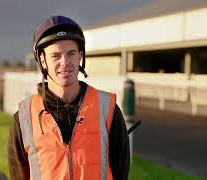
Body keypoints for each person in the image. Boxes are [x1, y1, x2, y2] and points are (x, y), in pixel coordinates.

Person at [8, 15, 130, 180]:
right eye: (56, 55)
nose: (65, 62)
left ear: (80, 56)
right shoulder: (24, 118)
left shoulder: (107, 110)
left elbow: (121, 172)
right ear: (42, 60)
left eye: (71, 53)